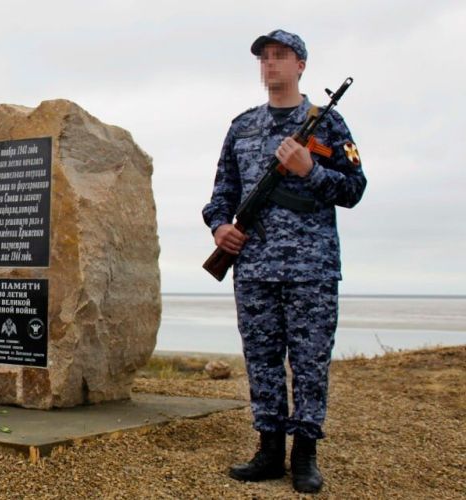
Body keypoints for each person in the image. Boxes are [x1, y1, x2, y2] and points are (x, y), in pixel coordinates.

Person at [202, 30, 367, 494]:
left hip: (311, 269)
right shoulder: (242, 126)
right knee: (262, 361)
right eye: (265, 58)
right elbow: (221, 197)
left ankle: (305, 455)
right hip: (253, 267)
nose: (270, 64)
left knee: (310, 363)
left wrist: (309, 171)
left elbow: (354, 190)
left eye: (281, 56)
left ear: (301, 67)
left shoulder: (327, 125)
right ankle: (269, 450)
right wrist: (220, 229)